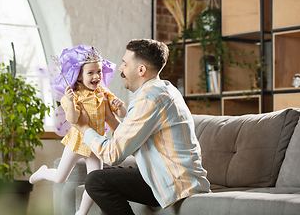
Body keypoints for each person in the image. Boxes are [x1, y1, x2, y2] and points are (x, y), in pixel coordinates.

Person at [73, 38, 211, 215]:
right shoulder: (163, 89)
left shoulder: (149, 99)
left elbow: (112, 154)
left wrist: (83, 127)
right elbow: (130, 140)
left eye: (124, 63)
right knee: (104, 177)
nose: (120, 69)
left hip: (174, 182)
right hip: (170, 177)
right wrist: (109, 118)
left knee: (96, 181)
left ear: (141, 70)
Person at [29, 45, 127, 215]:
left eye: (99, 71)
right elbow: (73, 120)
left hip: (96, 143)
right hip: (76, 142)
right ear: (79, 76)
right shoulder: (72, 96)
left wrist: (119, 107)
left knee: (94, 180)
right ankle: (44, 172)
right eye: (91, 73)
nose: (96, 76)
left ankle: (81, 212)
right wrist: (71, 102)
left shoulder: (103, 93)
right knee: (60, 178)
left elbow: (122, 114)